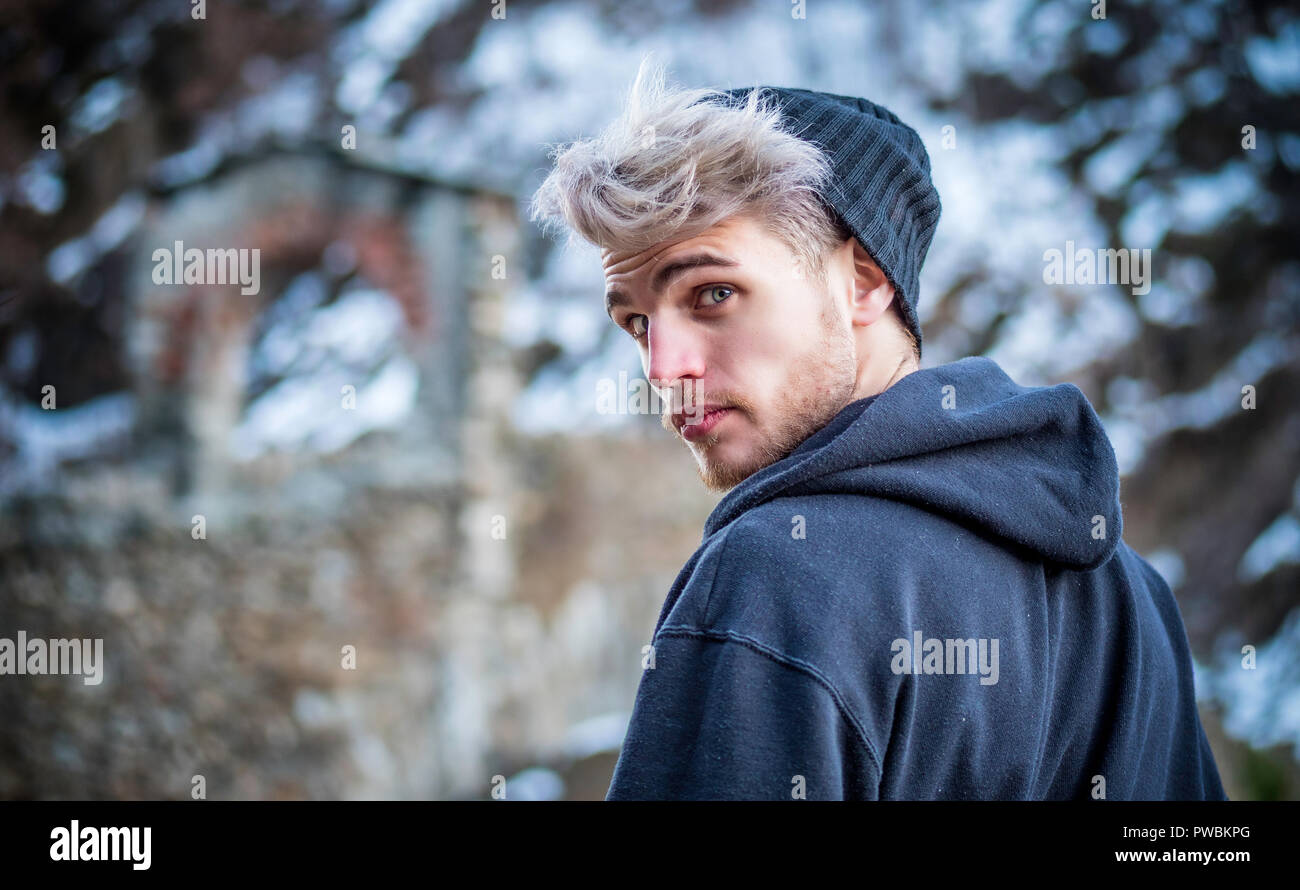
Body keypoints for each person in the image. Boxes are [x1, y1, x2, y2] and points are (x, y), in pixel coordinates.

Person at [529, 58, 1227, 800]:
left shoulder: (773, 576)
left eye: (713, 293)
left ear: (863, 281)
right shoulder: (1132, 591)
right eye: (636, 322)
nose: (665, 370)